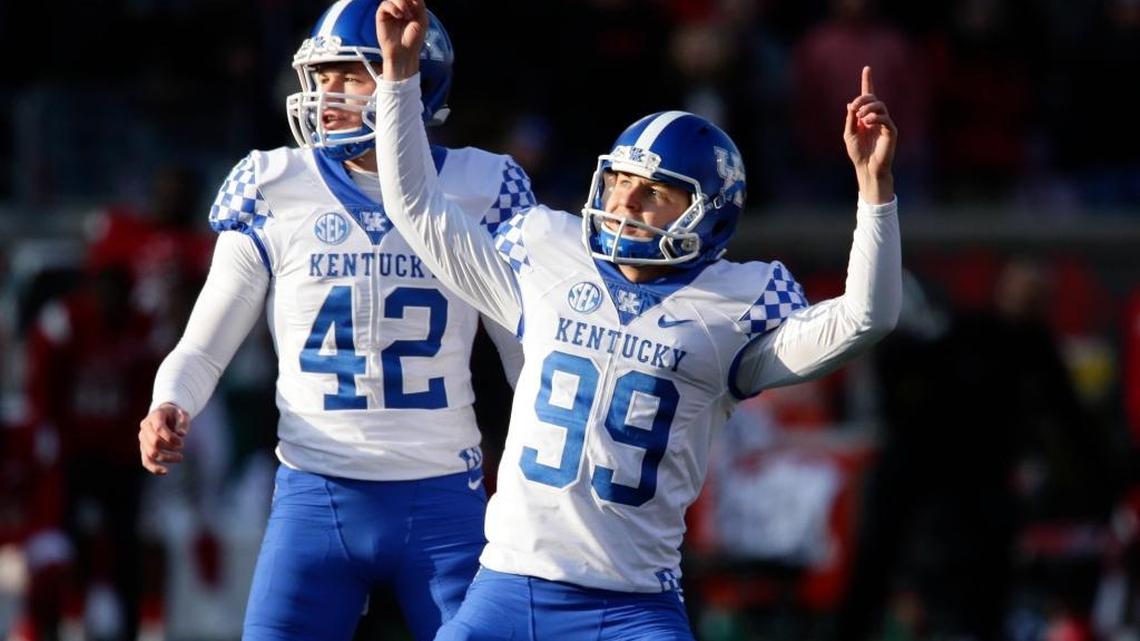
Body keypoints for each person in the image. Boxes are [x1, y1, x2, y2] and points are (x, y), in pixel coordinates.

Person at [372, 1, 901, 638]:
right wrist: (398, 80)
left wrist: (875, 190)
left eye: (653, 192)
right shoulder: (546, 257)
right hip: (508, 587)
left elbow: (867, 317)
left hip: (630, 609)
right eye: (619, 182)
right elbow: (415, 207)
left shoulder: (729, 308)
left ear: (706, 213)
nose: (625, 201)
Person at [136, 1, 534, 639]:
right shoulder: (274, 184)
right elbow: (204, 347)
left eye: (350, 75)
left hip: (445, 498)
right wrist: (169, 401)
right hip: (316, 492)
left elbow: (526, 358)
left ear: (415, 76)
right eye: (321, 77)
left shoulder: (485, 187)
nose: (328, 94)